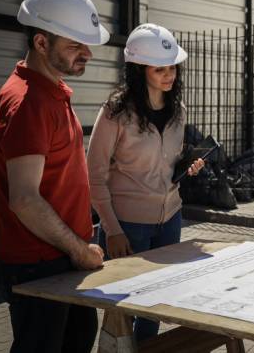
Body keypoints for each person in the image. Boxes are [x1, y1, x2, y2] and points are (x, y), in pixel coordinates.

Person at [0, 0, 110, 353]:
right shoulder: (28, 102)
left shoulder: (49, 91)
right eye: (74, 45)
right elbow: (24, 199)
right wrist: (78, 249)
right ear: (41, 43)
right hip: (38, 264)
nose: (87, 53)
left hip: (57, 261)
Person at [87, 23, 204, 342]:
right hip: (128, 225)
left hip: (170, 221)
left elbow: (169, 164)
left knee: (155, 304)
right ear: (139, 71)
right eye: (160, 69)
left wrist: (187, 166)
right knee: (124, 308)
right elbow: (94, 174)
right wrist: (112, 229)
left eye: (172, 68)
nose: (170, 75)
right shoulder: (115, 112)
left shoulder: (178, 111)